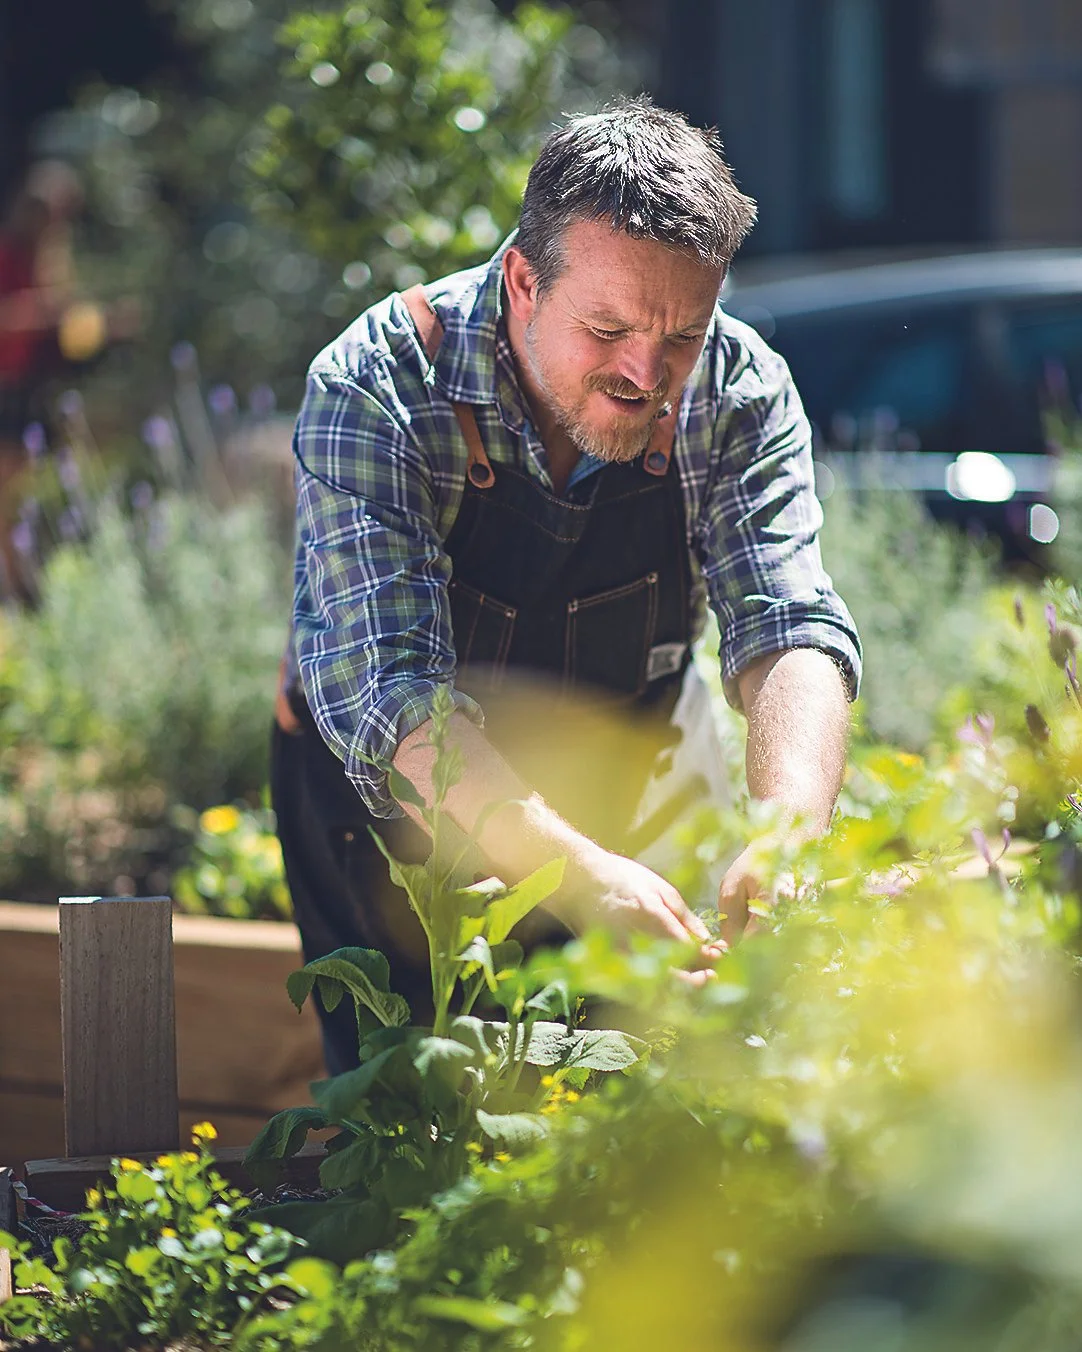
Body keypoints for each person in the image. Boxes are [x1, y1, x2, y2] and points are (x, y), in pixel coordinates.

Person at [272, 97, 862, 1075]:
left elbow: (787, 621)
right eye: (608, 328)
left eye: (680, 334)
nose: (647, 370)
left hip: (611, 784)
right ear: (522, 281)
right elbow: (396, 702)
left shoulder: (736, 390)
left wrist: (787, 833)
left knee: (620, 1103)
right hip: (393, 820)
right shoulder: (377, 385)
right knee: (411, 1112)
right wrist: (581, 875)